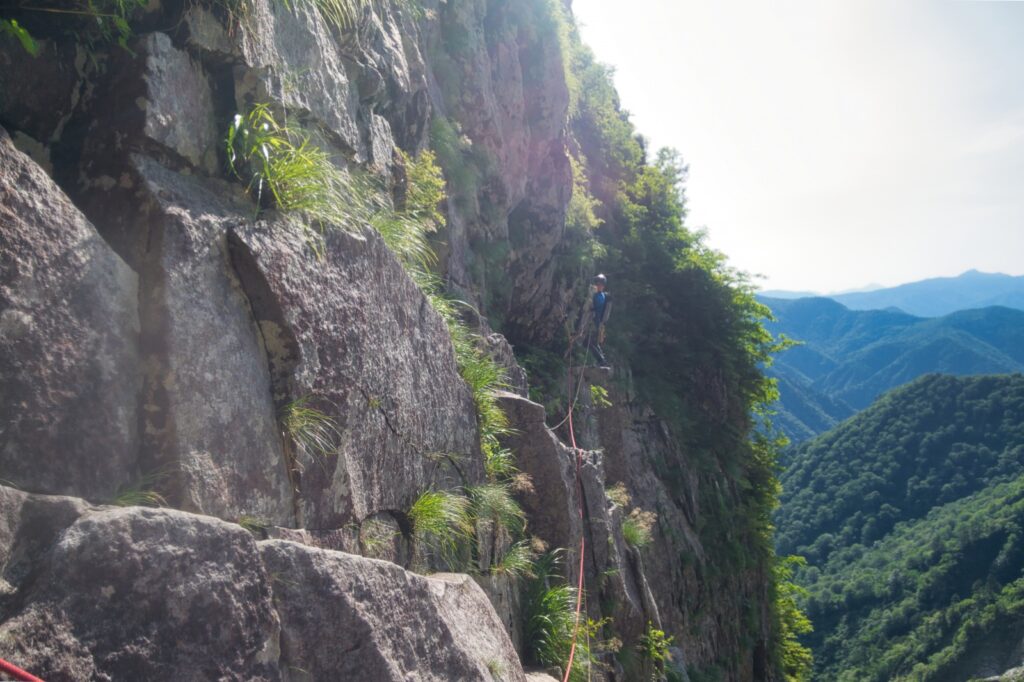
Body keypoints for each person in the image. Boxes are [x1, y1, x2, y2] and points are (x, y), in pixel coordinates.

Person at [569, 274, 612, 367]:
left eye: (599, 283)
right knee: (593, 342)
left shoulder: (600, 296)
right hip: (595, 322)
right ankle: (603, 361)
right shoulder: (600, 295)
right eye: (597, 283)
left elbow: (594, 306)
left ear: (603, 286)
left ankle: (602, 361)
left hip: (595, 322)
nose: (597, 285)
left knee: (589, 342)